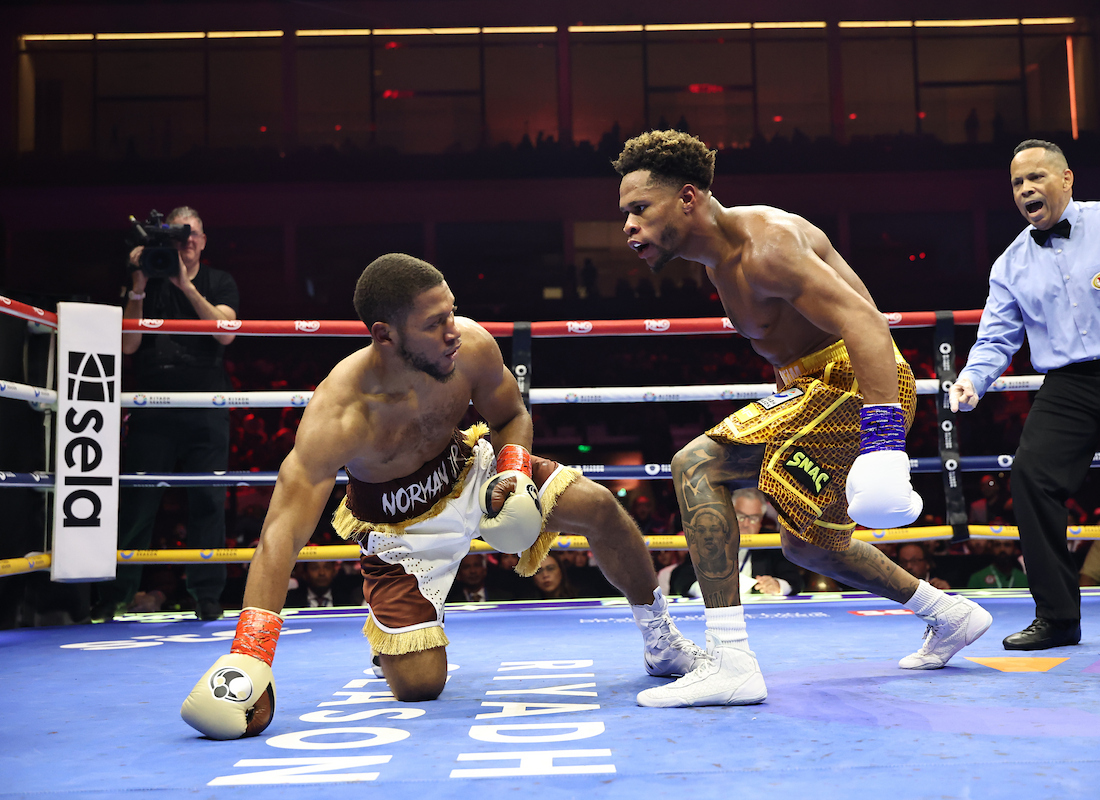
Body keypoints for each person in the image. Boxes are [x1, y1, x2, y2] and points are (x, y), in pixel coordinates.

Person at [180, 253, 701, 740]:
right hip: (400, 535)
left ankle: (660, 638)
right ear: (384, 334)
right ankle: (395, 635)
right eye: (434, 323)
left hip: (471, 474)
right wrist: (250, 654)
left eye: (451, 312)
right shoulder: (339, 414)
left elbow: (509, 414)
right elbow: (281, 534)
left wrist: (513, 473)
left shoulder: (469, 347)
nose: (453, 330)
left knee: (600, 508)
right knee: (420, 688)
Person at [614, 130, 992, 708]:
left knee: (697, 464)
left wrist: (884, 439)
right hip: (815, 386)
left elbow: (865, 323)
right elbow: (791, 346)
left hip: (856, 382)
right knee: (808, 547)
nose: (628, 225)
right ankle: (949, 613)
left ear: (688, 197)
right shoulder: (718, 261)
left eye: (640, 208)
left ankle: (731, 662)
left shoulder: (767, 246)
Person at [950, 138, 1100, 650]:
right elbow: (997, 337)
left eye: (1035, 177)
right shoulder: (1011, 263)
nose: (1025, 189)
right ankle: (1058, 618)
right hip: (1067, 384)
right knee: (1031, 478)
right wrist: (973, 378)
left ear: (1066, 179)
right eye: (1017, 183)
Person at [92, 206, 239, 623]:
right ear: (168, 240)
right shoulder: (146, 281)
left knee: (208, 501)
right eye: (179, 234)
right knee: (138, 503)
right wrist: (138, 284)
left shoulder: (219, 281)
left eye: (193, 234)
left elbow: (226, 334)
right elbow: (128, 345)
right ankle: (116, 596)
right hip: (152, 406)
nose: (187, 240)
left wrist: (185, 286)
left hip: (206, 407)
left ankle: (206, 595)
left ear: (203, 241)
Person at [673, 488, 807, 597]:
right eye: (741, 516)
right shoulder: (710, 539)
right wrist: (706, 589)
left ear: (761, 520)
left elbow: (795, 580)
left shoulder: (771, 540)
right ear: (728, 514)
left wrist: (778, 585)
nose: (746, 524)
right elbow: (681, 579)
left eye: (753, 518)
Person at [284, 560, 361, 607]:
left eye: (327, 567)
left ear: (334, 571)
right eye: (315, 568)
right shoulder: (290, 600)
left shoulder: (348, 599)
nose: (322, 573)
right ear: (305, 573)